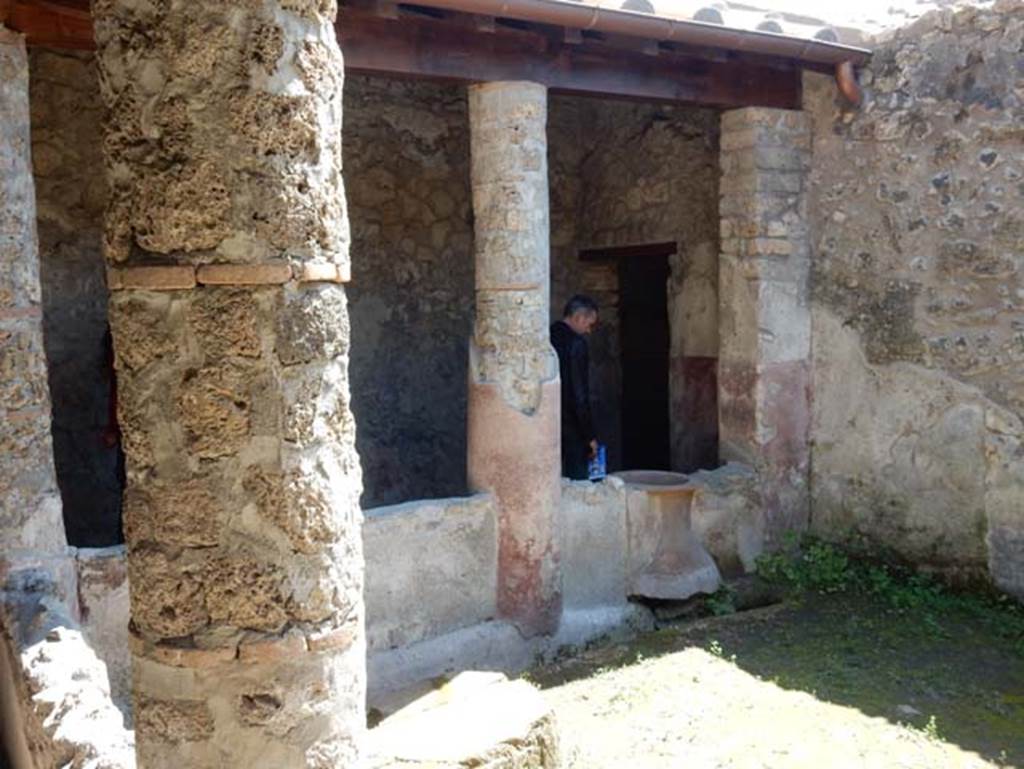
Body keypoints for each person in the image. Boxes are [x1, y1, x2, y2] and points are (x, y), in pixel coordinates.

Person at [550, 295, 599, 480]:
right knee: (578, 483)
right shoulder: (576, 344)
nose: (589, 330)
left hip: (549, 420)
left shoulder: (548, 335)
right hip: (572, 426)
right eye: (589, 324)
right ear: (579, 317)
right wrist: (590, 436)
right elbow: (579, 395)